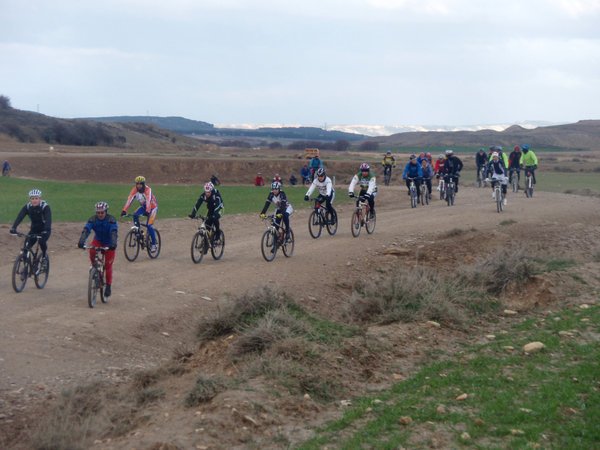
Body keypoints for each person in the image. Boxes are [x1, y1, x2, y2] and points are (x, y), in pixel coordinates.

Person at [77, 202, 118, 297]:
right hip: (98, 240)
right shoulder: (93, 219)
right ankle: (94, 267)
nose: (100, 214)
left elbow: (113, 232)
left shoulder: (111, 220)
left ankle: (108, 286)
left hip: (109, 242)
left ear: (106, 212)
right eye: (98, 213)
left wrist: (113, 244)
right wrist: (81, 240)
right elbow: (86, 230)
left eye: (102, 212)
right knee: (92, 250)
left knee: (108, 265)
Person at [10, 189, 52, 264]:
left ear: (40, 198)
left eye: (36, 198)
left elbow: (48, 219)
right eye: (32, 198)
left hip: (44, 230)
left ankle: (44, 256)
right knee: (26, 248)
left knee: (42, 241)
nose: (34, 200)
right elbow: (20, 217)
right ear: (30, 199)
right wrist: (14, 227)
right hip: (34, 230)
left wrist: (46, 229)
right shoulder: (28, 206)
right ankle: (26, 266)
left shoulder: (45, 207)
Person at [120, 176, 159, 252]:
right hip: (144, 207)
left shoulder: (148, 190)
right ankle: (137, 231)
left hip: (153, 208)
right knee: (135, 215)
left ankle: (154, 244)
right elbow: (129, 200)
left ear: (143, 184)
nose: (139, 186)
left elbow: (148, 200)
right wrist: (124, 210)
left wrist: (147, 211)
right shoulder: (134, 190)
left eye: (140, 184)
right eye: (137, 184)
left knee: (149, 225)